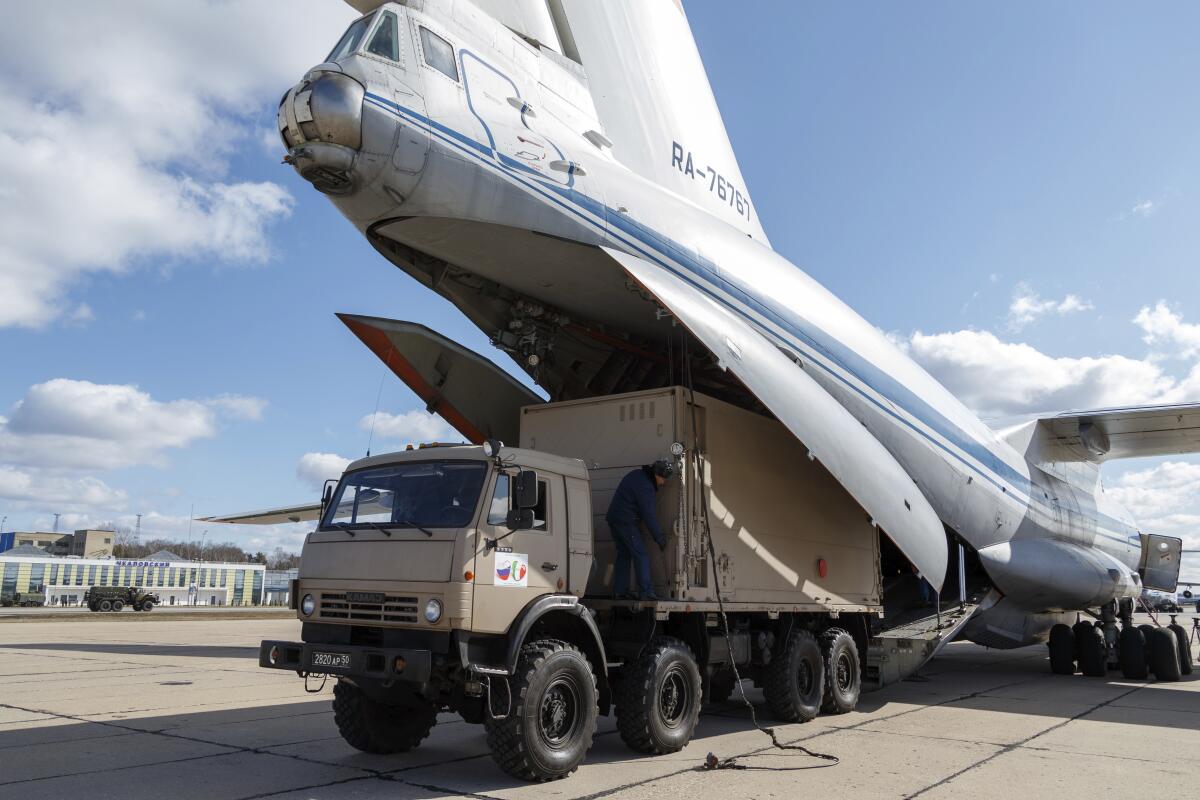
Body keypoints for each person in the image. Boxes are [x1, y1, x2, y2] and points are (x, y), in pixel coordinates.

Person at [606, 459, 674, 600]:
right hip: (625, 521)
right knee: (641, 554)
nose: (663, 482)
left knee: (624, 555)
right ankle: (646, 592)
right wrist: (660, 538)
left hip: (615, 519)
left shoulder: (638, 475)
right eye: (663, 479)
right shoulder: (646, 486)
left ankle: (620, 591)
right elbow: (649, 515)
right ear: (657, 475)